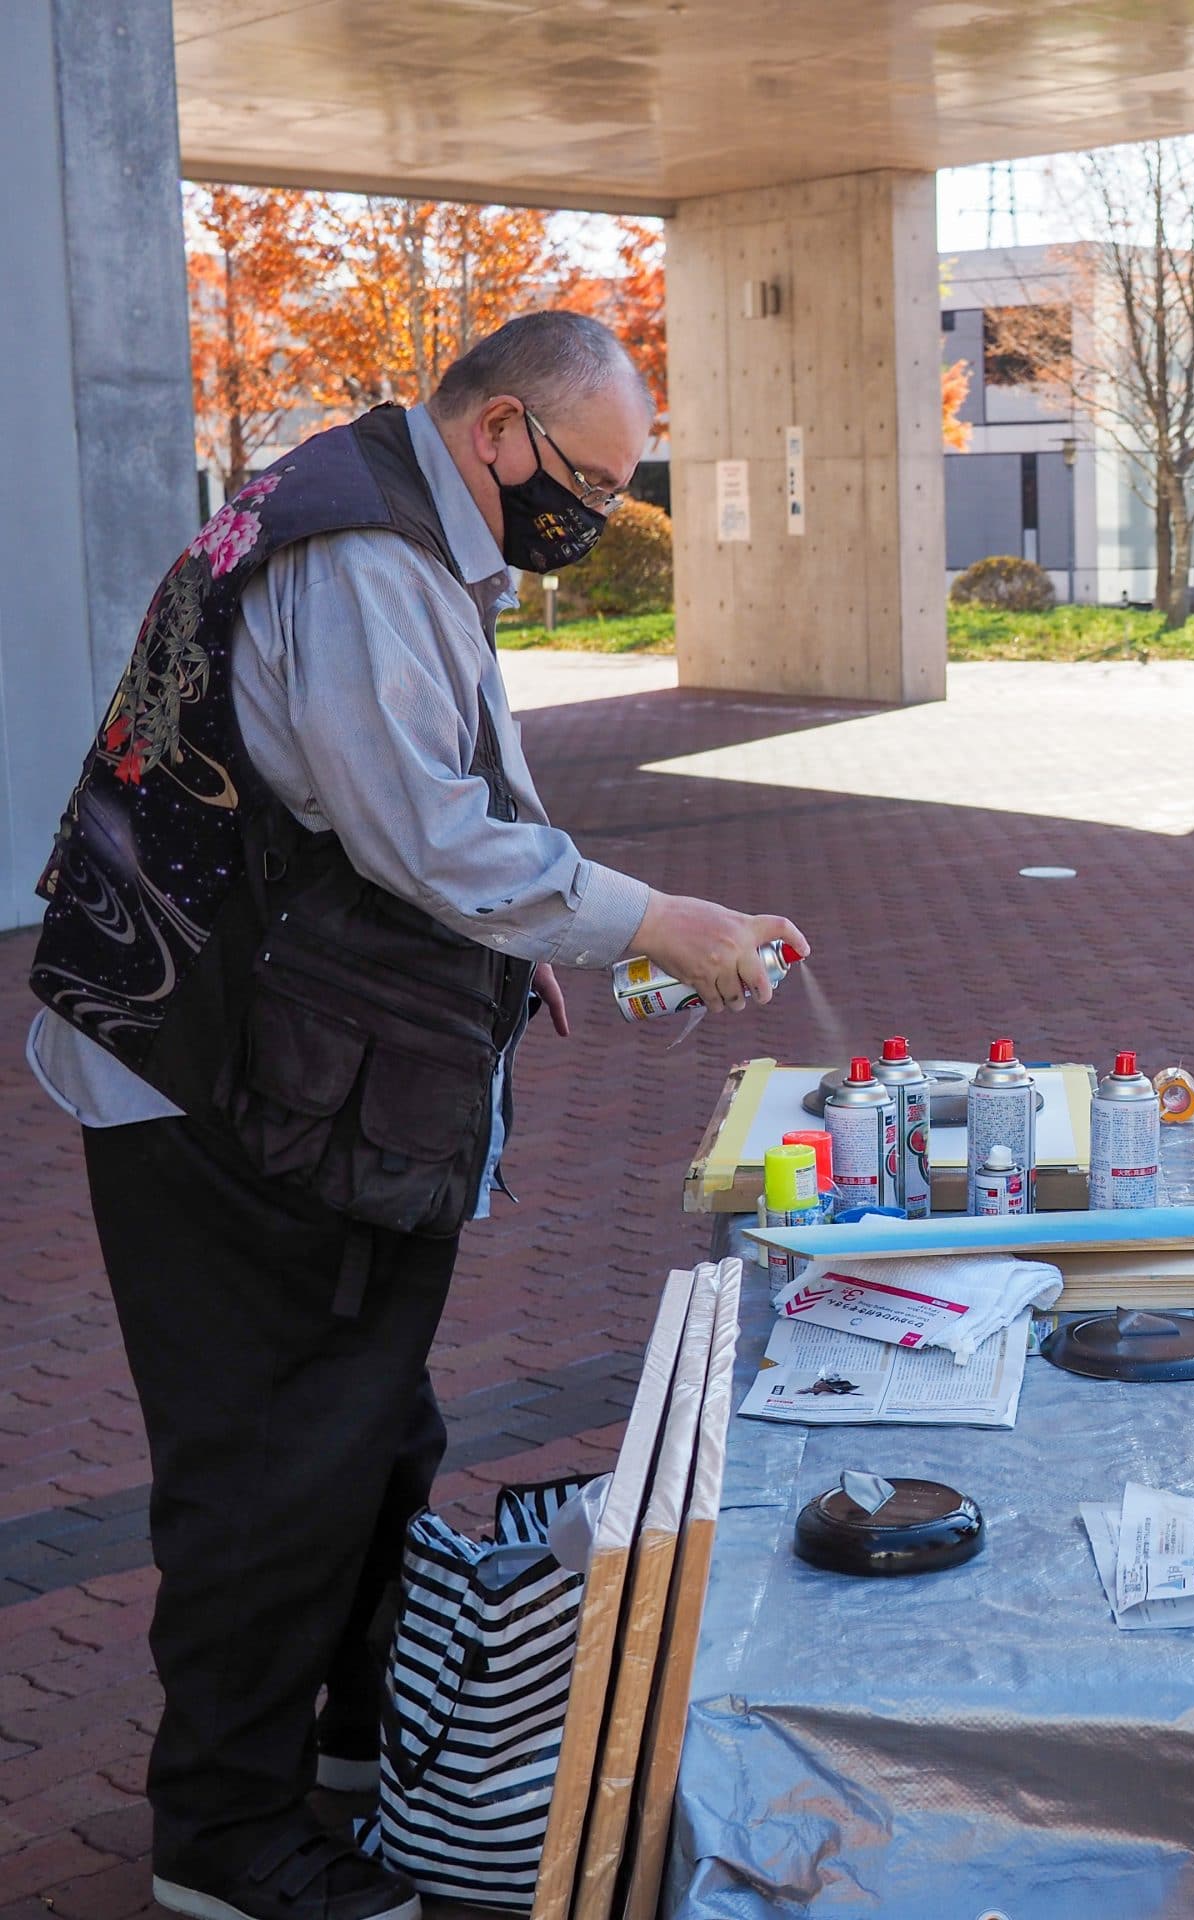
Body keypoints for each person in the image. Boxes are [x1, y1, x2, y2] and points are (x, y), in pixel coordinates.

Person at [26, 311, 805, 1920]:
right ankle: (223, 1840)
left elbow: (427, 815)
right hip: (220, 1073)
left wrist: (523, 947)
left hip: (250, 1041)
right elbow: (427, 835)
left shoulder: (388, 518)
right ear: (501, 432)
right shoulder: (370, 555)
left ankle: (353, 1753)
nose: (595, 515)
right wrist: (649, 918)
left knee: (370, 1427)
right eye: (584, 480)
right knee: (277, 1454)